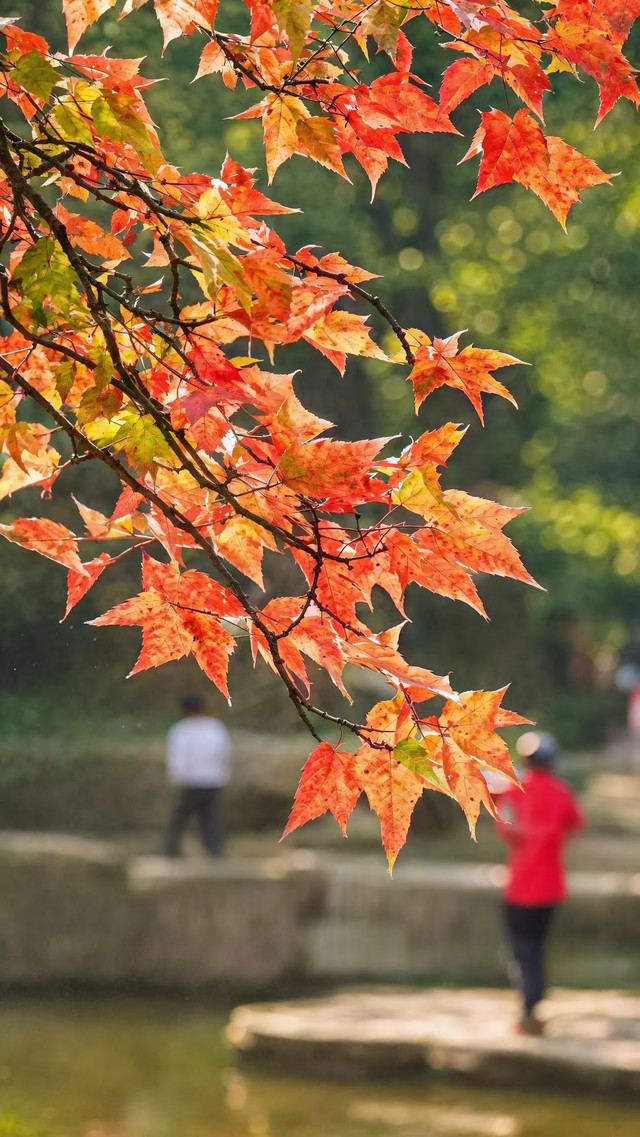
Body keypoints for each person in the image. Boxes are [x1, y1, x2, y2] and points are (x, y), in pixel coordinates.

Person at [494, 731, 583, 1036]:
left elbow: (503, 829)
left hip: (519, 885)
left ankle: (530, 1006)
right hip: (550, 886)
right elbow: (574, 824)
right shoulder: (563, 792)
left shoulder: (513, 790)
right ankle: (533, 1004)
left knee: (522, 949)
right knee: (536, 947)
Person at [164, 694, 232, 858]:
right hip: (212, 780)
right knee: (210, 817)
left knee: (180, 818)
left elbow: (176, 758)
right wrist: (223, 775)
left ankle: (171, 849)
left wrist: (177, 777)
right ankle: (214, 851)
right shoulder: (216, 728)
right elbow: (224, 753)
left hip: (190, 781)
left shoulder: (180, 730)